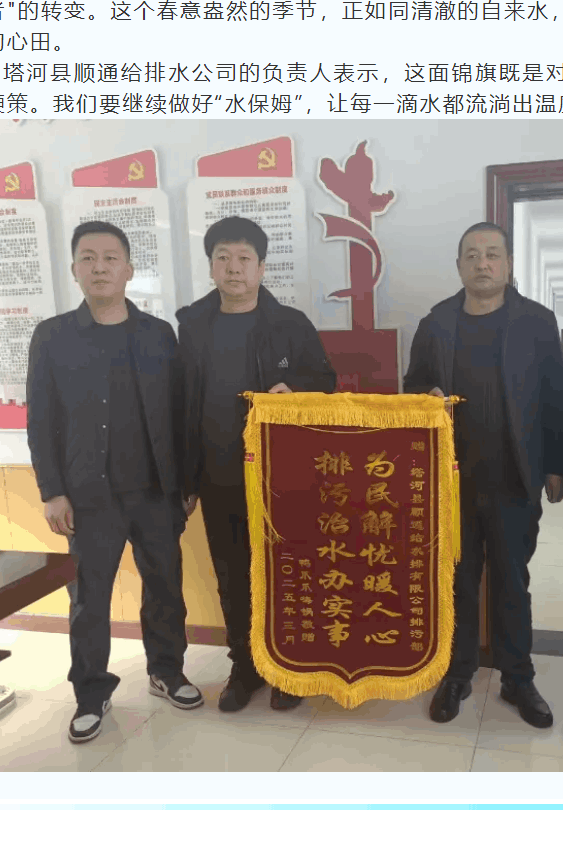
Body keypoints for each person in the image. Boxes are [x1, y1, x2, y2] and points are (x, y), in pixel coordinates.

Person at [26, 221, 201, 747]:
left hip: (157, 492)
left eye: (109, 258)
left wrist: (187, 481)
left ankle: (166, 671)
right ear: (74, 269)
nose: (99, 267)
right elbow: (40, 420)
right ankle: (91, 693)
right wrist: (51, 490)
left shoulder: (158, 335)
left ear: (128, 269)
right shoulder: (53, 336)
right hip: (88, 496)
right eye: (88, 258)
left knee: (165, 588)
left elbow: (180, 411)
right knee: (89, 600)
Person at [404, 219, 563, 728]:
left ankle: (517, 677)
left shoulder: (537, 322)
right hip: (451, 483)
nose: (483, 264)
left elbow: (555, 398)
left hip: (515, 477)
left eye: (492, 254)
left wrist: (556, 466)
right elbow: (411, 389)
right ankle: (458, 673)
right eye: (472, 255)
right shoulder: (435, 323)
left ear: (509, 264)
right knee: (457, 581)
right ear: (458, 265)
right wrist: (424, 398)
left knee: (512, 581)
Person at [177, 214, 337, 715]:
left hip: (281, 479)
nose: (234, 268)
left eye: (244, 258)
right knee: (232, 576)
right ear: (211, 266)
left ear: (262, 267)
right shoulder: (193, 328)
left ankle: (289, 669)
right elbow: (180, 406)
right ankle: (244, 666)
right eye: (223, 258)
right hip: (217, 475)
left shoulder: (290, 324)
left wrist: (298, 390)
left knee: (285, 572)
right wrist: (186, 478)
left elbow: (327, 383)